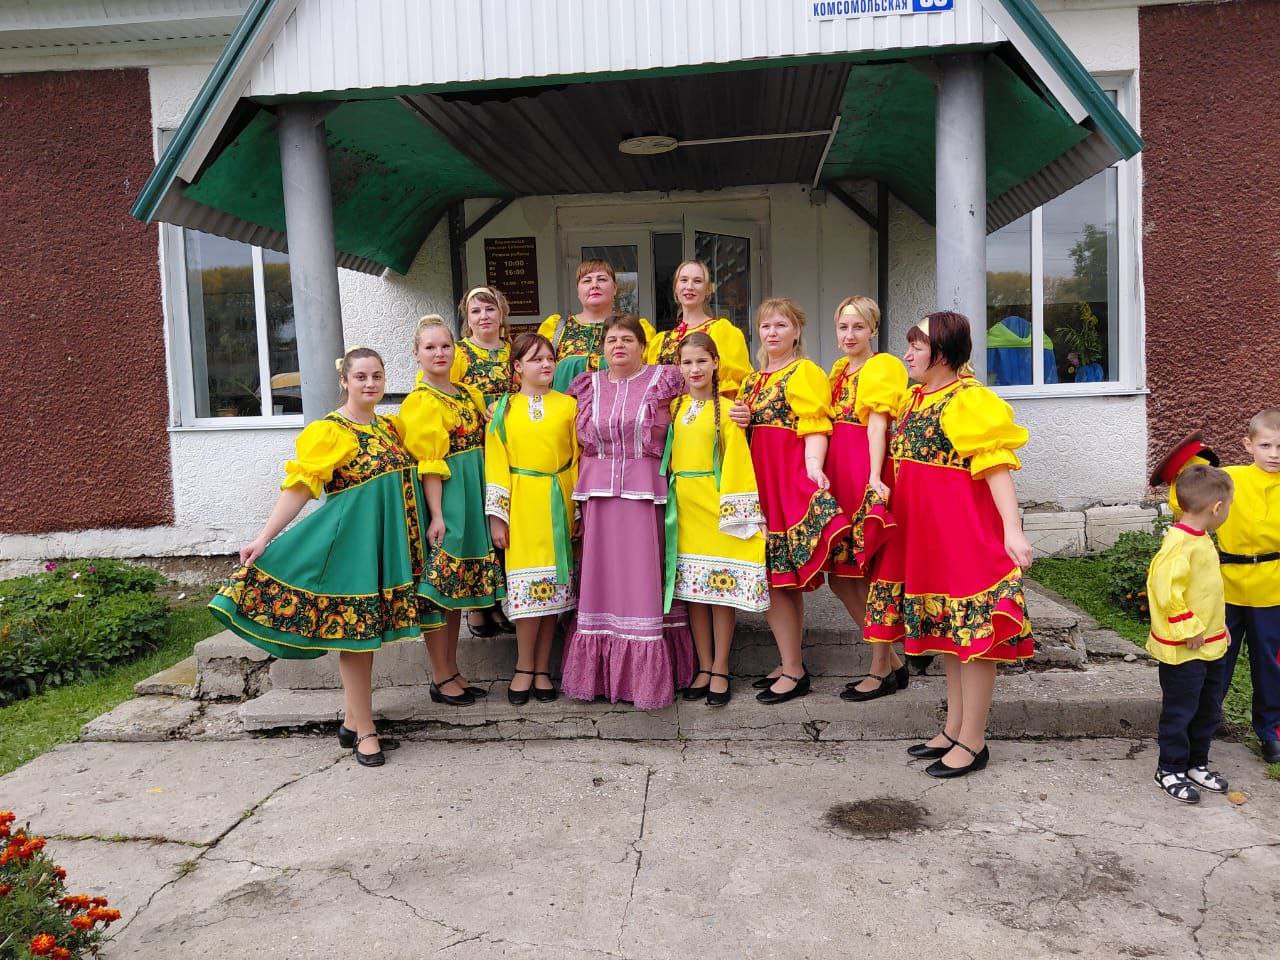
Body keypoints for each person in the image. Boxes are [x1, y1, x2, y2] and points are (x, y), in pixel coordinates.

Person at [210, 347, 438, 767]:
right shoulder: (332, 431)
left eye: (377, 376)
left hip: (386, 546)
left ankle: (353, 722)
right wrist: (264, 537)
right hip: (350, 547)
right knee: (357, 637)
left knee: (368, 635)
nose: (370, 383)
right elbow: (300, 488)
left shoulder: (390, 428)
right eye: (361, 377)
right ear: (344, 381)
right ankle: (365, 731)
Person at [865, 311, 1034, 778]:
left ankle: (973, 740)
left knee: (974, 638)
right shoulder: (915, 398)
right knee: (949, 634)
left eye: (916, 346)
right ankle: (954, 727)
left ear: (941, 352)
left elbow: (996, 467)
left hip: (964, 535)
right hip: (928, 536)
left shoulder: (968, 399)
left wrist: (1012, 530)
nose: (907, 354)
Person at [560, 314, 694, 709]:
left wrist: (738, 411)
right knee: (602, 582)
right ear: (602, 348)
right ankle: (601, 675)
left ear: (643, 346)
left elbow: (704, 401)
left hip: (646, 496)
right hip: (599, 500)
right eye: (611, 340)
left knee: (642, 582)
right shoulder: (587, 385)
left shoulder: (665, 380)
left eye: (627, 339)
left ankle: (647, 678)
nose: (618, 346)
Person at [729, 298, 850, 705]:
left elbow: (815, 425)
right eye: (766, 326)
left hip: (786, 478)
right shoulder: (751, 380)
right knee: (778, 580)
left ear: (796, 331)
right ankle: (789, 661)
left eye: (781, 325)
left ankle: (795, 670)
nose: (772, 333)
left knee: (777, 579)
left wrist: (813, 467)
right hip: (760, 479)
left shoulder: (804, 372)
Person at [400, 316, 504, 707]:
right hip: (447, 497)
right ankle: (440, 676)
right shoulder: (422, 401)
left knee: (456, 588)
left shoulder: (466, 393)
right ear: (416, 354)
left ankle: (452, 670)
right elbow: (430, 463)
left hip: (473, 492)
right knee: (440, 590)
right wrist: (438, 514)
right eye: (430, 347)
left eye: (445, 345)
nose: (439, 353)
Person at [666, 332, 769, 706]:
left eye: (701, 361)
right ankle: (704, 665)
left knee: (719, 590)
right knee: (694, 592)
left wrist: (742, 513)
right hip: (683, 506)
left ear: (715, 364)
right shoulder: (673, 407)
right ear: (679, 367)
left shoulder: (728, 410)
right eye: (687, 362)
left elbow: (738, 460)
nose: (694, 369)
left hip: (714, 505)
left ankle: (722, 666)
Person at [820, 297, 911, 703]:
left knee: (872, 573)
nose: (849, 334)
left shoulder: (881, 366)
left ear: (873, 329)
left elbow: (877, 426)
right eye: (843, 327)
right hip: (838, 474)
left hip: (864, 471)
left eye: (858, 326)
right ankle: (891, 659)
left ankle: (880, 667)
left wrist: (874, 477)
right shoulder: (838, 371)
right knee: (840, 576)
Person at [485, 332, 580, 705]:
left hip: (558, 501)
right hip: (521, 505)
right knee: (527, 593)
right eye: (536, 359)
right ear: (517, 367)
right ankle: (523, 666)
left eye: (550, 358)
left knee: (552, 593)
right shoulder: (503, 409)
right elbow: (496, 462)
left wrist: (577, 508)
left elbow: (578, 459)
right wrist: (498, 516)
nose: (545, 365)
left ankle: (541, 669)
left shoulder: (569, 406)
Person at [1146, 463, 1235, 803]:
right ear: (1217, 507)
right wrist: (1188, 627)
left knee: (1208, 708)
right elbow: (1166, 590)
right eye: (1228, 507)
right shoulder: (1180, 545)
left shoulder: (1201, 539)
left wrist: (1218, 626)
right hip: (1184, 648)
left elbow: (1205, 591)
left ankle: (1197, 763)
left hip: (1210, 643)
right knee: (1181, 710)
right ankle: (1169, 768)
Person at [446, 285, 515, 639]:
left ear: (502, 314)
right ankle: (478, 606)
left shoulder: (513, 351)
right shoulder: (459, 353)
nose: (483, 316)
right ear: (467, 319)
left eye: (490, 309)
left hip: (509, 446)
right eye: (475, 311)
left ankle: (498, 601)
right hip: (474, 448)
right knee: (479, 522)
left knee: (504, 520)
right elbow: (443, 393)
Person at [1216, 408, 1280, 765]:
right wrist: (1191, 467)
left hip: (1273, 588)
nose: (1274, 454)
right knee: (1217, 656)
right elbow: (1185, 498)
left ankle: (1271, 731)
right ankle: (1207, 717)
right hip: (1226, 585)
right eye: (1266, 445)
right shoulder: (1230, 478)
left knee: (1270, 663)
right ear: (1248, 444)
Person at [538, 259, 657, 391]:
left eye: (602, 279)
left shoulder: (637, 328)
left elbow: (652, 378)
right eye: (587, 281)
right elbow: (534, 376)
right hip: (565, 404)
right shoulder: (556, 329)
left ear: (615, 288)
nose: (594, 285)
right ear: (578, 290)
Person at [646, 259, 753, 397]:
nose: (689, 286)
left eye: (697, 281)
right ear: (675, 288)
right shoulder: (660, 341)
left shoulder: (721, 332)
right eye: (684, 280)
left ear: (708, 290)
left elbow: (735, 387)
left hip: (709, 409)